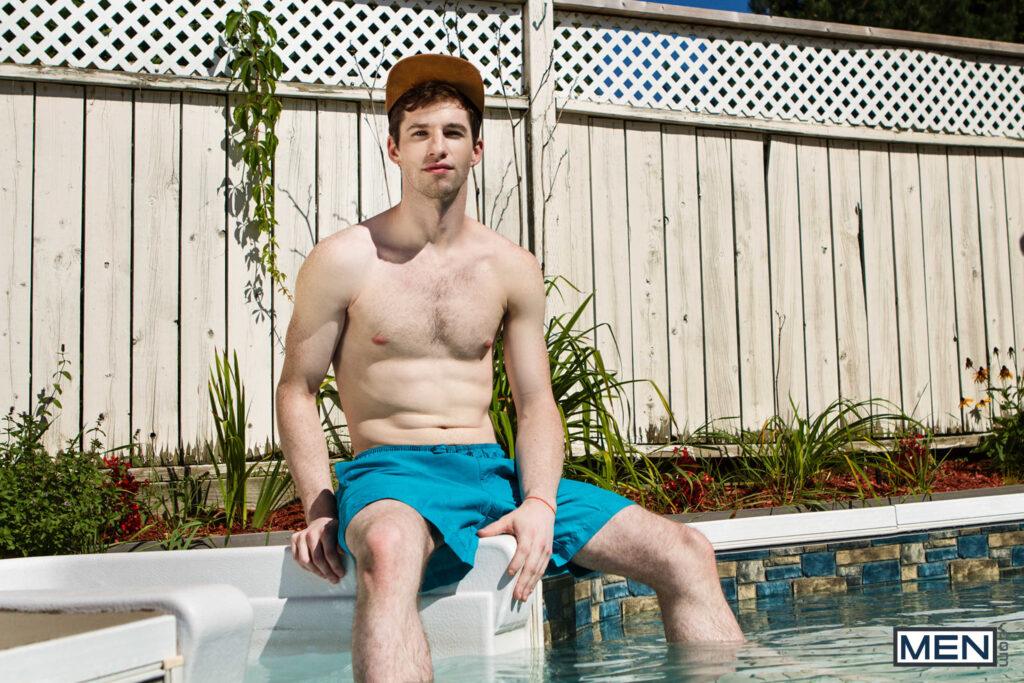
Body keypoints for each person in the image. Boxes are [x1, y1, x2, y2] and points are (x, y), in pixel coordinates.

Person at [275, 52, 744, 682]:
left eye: (453, 132)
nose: (436, 147)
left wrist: (541, 502)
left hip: (495, 473)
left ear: (476, 149)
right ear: (393, 149)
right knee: (388, 548)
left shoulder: (510, 267)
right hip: (393, 474)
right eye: (419, 133)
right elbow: (297, 390)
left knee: (687, 552)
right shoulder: (344, 260)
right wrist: (319, 510)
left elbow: (535, 402)